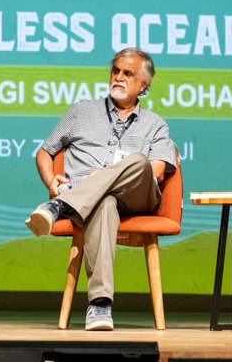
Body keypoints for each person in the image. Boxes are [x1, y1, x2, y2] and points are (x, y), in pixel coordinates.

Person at [25, 47, 175, 330]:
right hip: (92, 204)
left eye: (127, 73)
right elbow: (45, 152)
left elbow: (155, 170)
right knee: (104, 203)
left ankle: (59, 207)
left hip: (136, 195)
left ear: (143, 84)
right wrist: (50, 181)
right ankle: (100, 305)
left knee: (139, 162)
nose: (118, 77)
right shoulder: (82, 111)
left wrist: (106, 174)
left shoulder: (155, 124)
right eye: (115, 71)